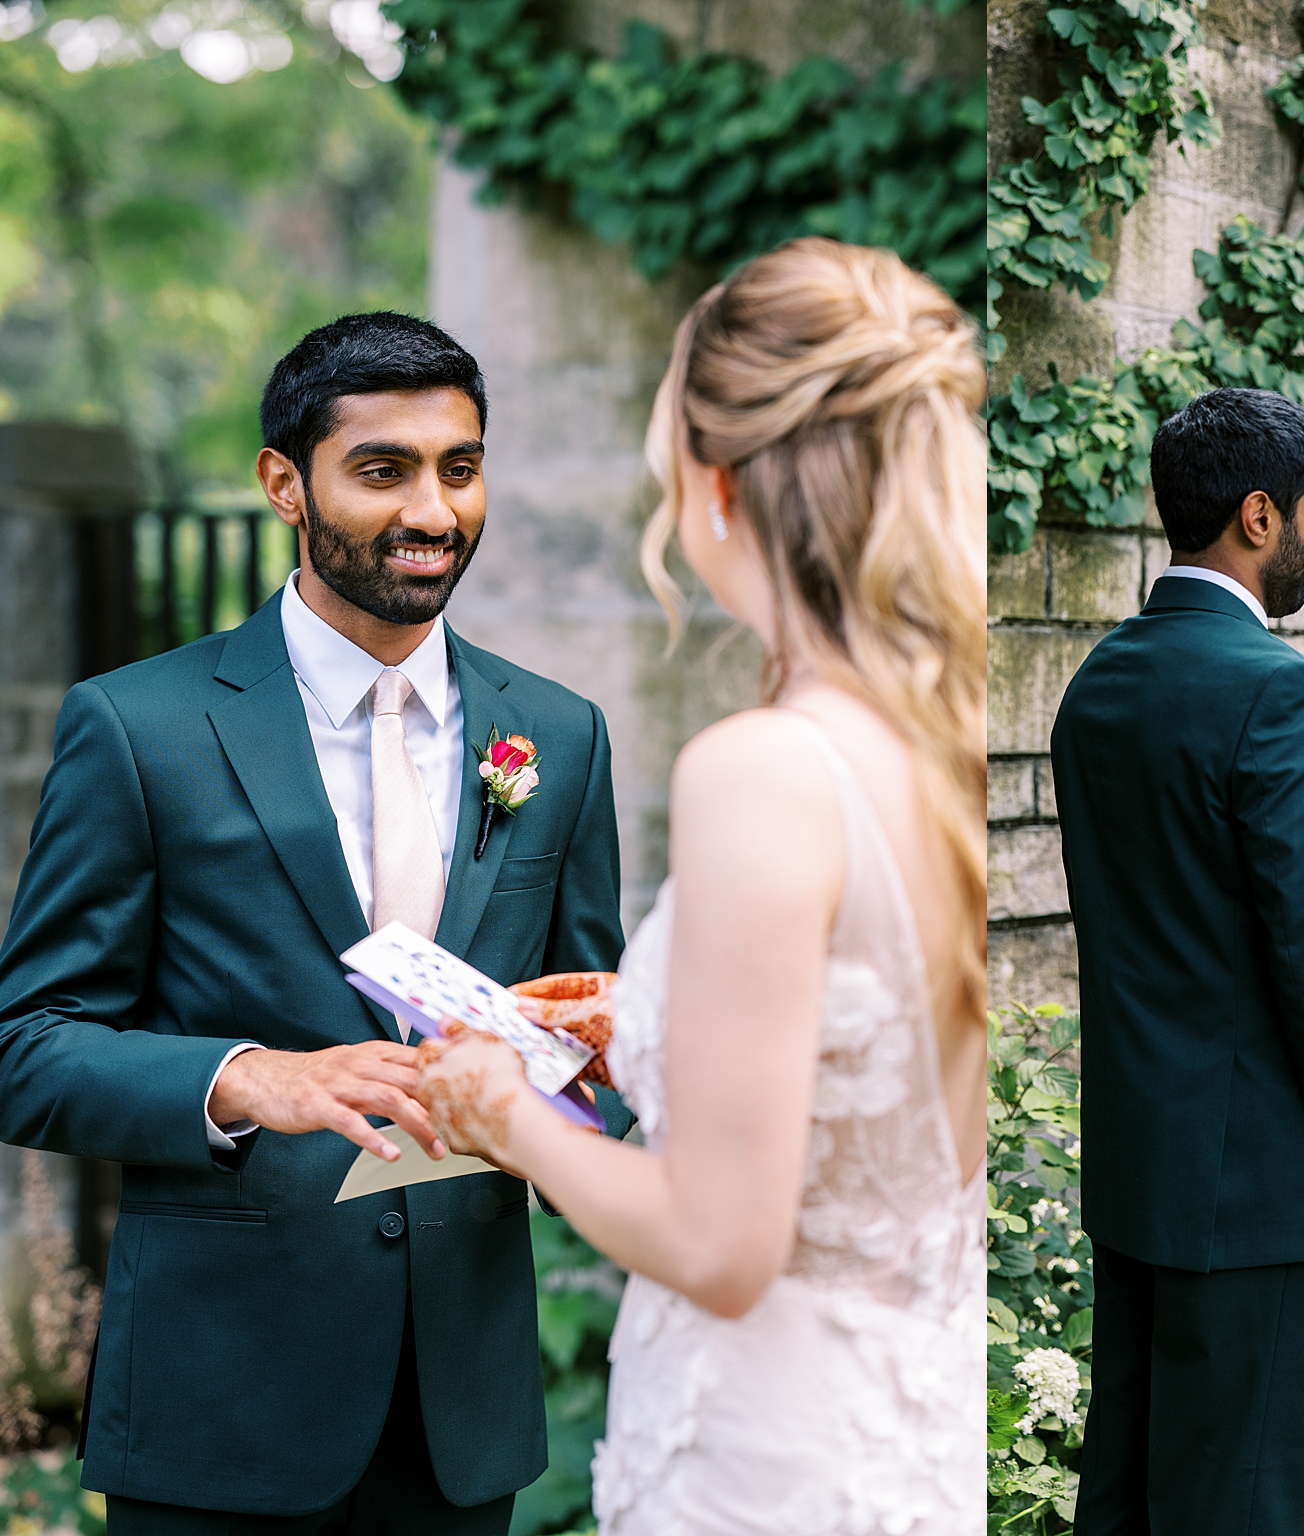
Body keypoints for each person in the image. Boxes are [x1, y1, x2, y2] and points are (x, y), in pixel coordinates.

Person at [0, 312, 634, 1531]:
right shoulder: (140, 727)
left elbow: (596, 1035)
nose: (433, 511)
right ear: (285, 482)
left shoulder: (559, 732)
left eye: (460, 467)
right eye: (382, 471)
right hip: (217, 1408)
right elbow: (20, 1054)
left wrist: (599, 1071)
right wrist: (248, 1079)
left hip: (460, 1415)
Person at [412, 237, 988, 1535]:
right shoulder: (948, 748)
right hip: (912, 1426)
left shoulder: (766, 767)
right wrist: (657, 1026)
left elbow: (725, 1248)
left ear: (716, 482)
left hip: (767, 1455)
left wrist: (502, 1108)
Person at [1048, 386, 1304, 1534]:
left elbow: (1173, 926)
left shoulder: (1095, 688)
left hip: (1138, 1182)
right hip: (1256, 1199)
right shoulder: (1284, 692)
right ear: (1257, 518)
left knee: (1127, 1502)